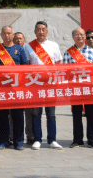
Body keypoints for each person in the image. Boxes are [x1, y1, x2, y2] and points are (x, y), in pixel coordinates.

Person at [24, 21, 63, 150]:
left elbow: (58, 63)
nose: (41, 32)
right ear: (35, 32)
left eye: (43, 29)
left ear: (47, 31)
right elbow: (27, 65)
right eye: (38, 29)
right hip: (35, 85)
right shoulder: (29, 46)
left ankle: (52, 140)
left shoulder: (54, 45)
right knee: (36, 113)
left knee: (51, 113)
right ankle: (37, 139)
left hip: (50, 84)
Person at [0, 26, 29, 151]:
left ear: (13, 35)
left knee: (17, 116)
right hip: (2, 88)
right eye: (4, 33)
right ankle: (3, 141)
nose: (7, 36)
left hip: (17, 88)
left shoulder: (20, 49)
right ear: (1, 35)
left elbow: (25, 68)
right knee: (2, 116)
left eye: (9, 33)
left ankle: (18, 141)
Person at [63, 28, 93, 148]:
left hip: (89, 87)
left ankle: (92, 139)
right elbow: (64, 72)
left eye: (82, 34)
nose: (79, 36)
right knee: (76, 114)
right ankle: (77, 139)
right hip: (75, 88)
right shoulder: (68, 53)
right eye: (76, 34)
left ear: (85, 36)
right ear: (73, 37)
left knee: (91, 114)